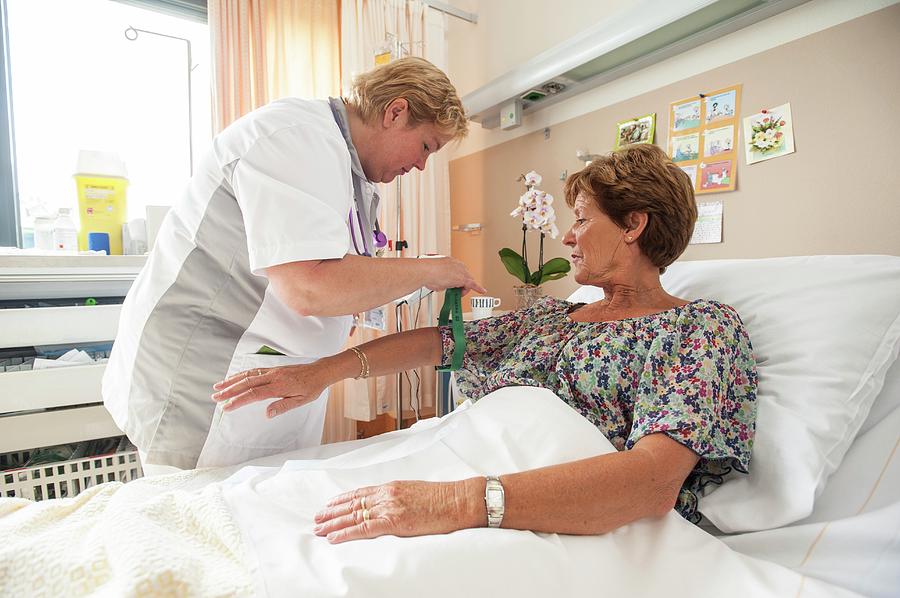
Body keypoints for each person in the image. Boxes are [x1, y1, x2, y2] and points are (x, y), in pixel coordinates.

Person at [212, 144, 758, 542]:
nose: (567, 236)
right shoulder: (552, 317)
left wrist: (452, 502)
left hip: (541, 513)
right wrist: (322, 372)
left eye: (583, 220)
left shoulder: (700, 329)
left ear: (634, 224)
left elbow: (653, 482)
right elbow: (438, 343)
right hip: (465, 469)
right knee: (273, 511)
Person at [102, 57, 484, 471]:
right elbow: (309, 287)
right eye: (426, 146)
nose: (421, 165)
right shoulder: (297, 137)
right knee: (198, 516)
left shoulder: (345, 168)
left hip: (268, 375)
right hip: (206, 376)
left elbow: (339, 276)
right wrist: (430, 271)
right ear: (396, 111)